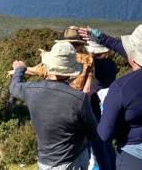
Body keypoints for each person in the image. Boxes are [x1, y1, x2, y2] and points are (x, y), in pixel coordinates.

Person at [78, 24, 142, 170]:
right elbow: (124, 49)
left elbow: (104, 135)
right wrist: (99, 36)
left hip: (140, 160)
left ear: (133, 55)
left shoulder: (122, 88)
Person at [9, 42, 99, 170]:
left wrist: (19, 69)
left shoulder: (31, 90)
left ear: (50, 65)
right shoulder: (79, 99)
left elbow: (14, 87)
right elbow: (93, 134)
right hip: (73, 161)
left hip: (45, 162)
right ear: (72, 71)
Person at [85, 40, 117, 170]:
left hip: (96, 104)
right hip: (108, 104)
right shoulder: (111, 64)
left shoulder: (92, 65)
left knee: (97, 144)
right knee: (107, 142)